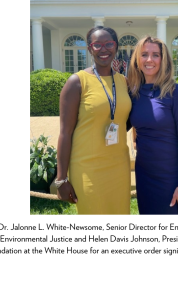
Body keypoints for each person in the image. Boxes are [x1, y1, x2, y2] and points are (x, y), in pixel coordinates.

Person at [55, 26, 132, 215]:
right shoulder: (77, 82)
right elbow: (65, 133)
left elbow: (126, 121)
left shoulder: (124, 82)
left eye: (109, 44)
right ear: (90, 49)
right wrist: (61, 179)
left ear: (116, 47)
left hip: (119, 165)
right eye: (97, 45)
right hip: (87, 168)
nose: (103, 49)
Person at [127, 35, 178, 215]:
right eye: (144, 54)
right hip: (144, 174)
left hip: (170, 177)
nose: (149, 59)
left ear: (163, 60)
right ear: (137, 59)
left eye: (155, 55)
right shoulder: (134, 93)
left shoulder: (175, 92)